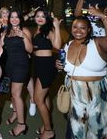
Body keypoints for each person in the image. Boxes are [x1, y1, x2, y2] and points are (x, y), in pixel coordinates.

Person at [56, 5, 107, 139]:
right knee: (77, 132)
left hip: (98, 96)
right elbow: (66, 69)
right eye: (75, 27)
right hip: (75, 95)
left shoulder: (98, 43)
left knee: (98, 133)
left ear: (89, 29)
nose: (78, 30)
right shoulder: (67, 45)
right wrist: (59, 66)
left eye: (83, 27)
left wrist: (102, 16)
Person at [0, 9, 33, 137]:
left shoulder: (25, 30)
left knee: (16, 94)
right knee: (12, 93)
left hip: (21, 65)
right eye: (12, 17)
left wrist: (23, 36)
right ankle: (15, 114)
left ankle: (22, 125)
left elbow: (30, 49)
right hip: (9, 65)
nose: (14, 19)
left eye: (17, 17)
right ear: (9, 19)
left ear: (20, 19)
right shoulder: (6, 31)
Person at [31, 8, 62, 139]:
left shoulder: (48, 29)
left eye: (43, 16)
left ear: (47, 18)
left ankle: (48, 131)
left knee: (38, 99)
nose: (40, 18)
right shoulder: (36, 30)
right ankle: (46, 125)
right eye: (37, 16)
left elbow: (57, 45)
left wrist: (56, 26)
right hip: (38, 64)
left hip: (46, 66)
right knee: (45, 97)